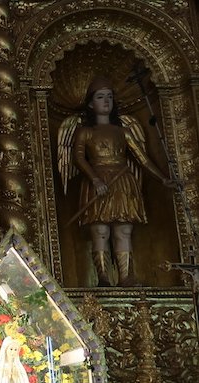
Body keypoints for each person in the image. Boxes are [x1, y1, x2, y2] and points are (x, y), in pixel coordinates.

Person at [70, 77, 172, 286]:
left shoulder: (123, 131)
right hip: (97, 181)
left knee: (123, 230)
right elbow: (79, 158)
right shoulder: (85, 131)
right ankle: (103, 278)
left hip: (122, 182)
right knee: (100, 230)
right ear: (91, 103)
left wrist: (163, 178)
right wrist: (95, 179)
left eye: (109, 97)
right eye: (100, 97)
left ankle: (126, 276)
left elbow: (142, 158)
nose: (106, 101)